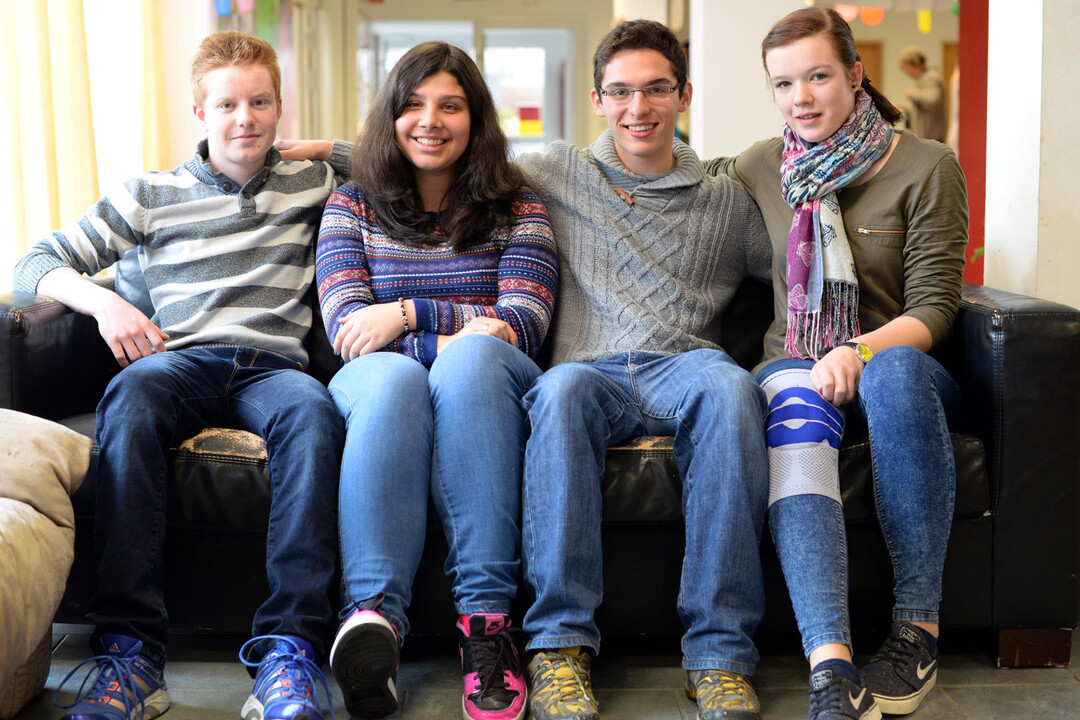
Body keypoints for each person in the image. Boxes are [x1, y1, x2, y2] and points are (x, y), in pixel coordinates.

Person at [13, 30, 349, 720]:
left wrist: (322, 149)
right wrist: (105, 303)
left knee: (316, 416)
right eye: (227, 104)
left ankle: (290, 654)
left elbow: (400, 154)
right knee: (129, 399)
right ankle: (130, 655)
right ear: (200, 113)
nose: (245, 119)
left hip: (274, 368)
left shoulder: (310, 180)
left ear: (281, 107)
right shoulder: (149, 194)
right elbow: (33, 265)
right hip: (181, 361)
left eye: (260, 102)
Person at [706, 8, 968, 719]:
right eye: (784, 83)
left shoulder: (926, 164)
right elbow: (673, 188)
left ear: (855, 75)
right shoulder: (761, 165)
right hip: (795, 361)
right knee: (792, 398)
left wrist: (858, 349)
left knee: (893, 371)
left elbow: (939, 308)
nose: (802, 97)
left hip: (899, 367)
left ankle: (917, 629)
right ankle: (833, 665)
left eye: (819, 75)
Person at [515, 19, 773, 720]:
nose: (639, 108)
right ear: (597, 99)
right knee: (557, 391)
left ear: (683, 93)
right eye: (621, 91)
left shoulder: (727, 201)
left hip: (687, 366)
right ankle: (559, 648)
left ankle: (720, 655)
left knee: (733, 388)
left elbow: (796, 267)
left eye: (657, 89)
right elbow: (450, 157)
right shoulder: (558, 171)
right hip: (588, 369)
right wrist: (330, 152)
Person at [313, 42, 558, 720]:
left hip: (483, 384)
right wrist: (449, 332)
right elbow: (349, 331)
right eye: (413, 105)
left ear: (476, 120)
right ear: (390, 117)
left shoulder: (519, 207)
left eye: (450, 105)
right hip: (377, 386)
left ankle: (487, 626)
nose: (430, 120)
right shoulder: (351, 206)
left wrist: (407, 314)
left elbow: (523, 322)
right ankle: (372, 626)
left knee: (471, 361)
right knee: (394, 378)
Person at [898, 45, 947, 142]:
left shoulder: (931, 78)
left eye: (908, 70)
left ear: (916, 64)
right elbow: (924, 108)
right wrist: (906, 109)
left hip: (932, 136)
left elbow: (932, 99)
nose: (909, 74)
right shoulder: (923, 79)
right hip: (926, 136)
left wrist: (912, 93)